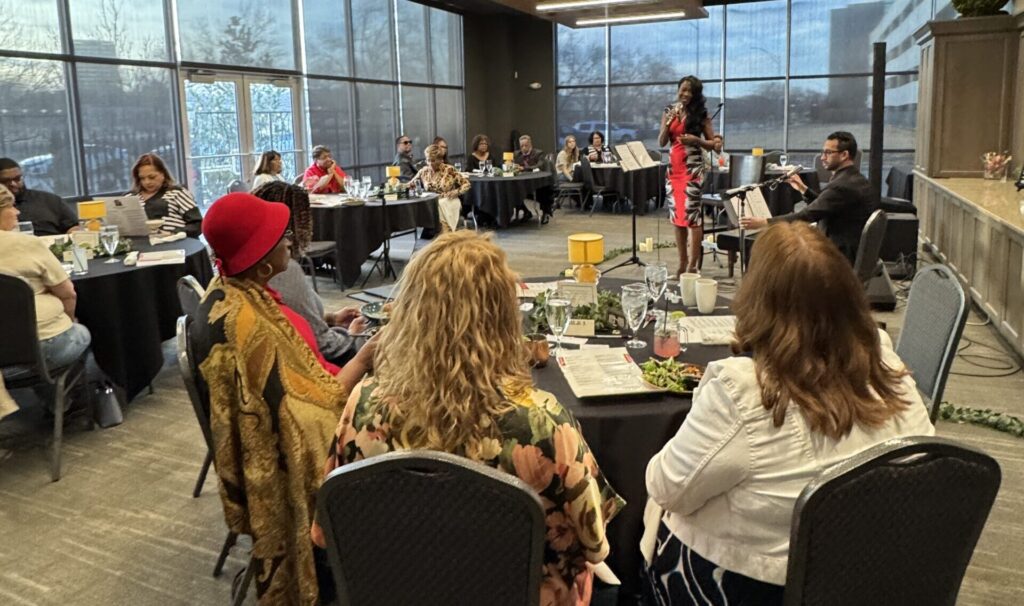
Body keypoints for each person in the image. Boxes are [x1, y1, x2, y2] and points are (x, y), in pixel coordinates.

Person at [311, 231, 624, 606]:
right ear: (504, 316)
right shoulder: (544, 422)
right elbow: (595, 544)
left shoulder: (361, 405)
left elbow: (325, 532)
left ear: (410, 313)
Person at [644, 222, 934, 605]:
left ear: (755, 299)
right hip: (877, 575)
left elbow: (667, 488)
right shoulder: (886, 359)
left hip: (763, 588)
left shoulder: (743, 391)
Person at [193, 191, 375, 605]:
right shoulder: (249, 328)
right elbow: (313, 410)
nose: (289, 240)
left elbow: (291, 332)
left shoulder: (235, 293)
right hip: (298, 454)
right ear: (261, 260)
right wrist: (365, 358)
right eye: (279, 236)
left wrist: (328, 320)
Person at [253, 181, 368, 367]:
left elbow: (292, 319)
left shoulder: (250, 266)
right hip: (317, 368)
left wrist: (330, 318)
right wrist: (353, 336)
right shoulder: (282, 270)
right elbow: (323, 346)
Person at [0, 184, 91, 414]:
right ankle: (66, 405)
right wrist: (70, 321)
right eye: (11, 206)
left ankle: (53, 400)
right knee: (78, 333)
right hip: (38, 349)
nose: (18, 212)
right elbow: (68, 294)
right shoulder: (26, 244)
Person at [740, 131, 875, 265]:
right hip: (850, 249)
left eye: (828, 153)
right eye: (823, 152)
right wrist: (802, 189)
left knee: (781, 252)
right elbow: (827, 206)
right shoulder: (855, 179)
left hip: (839, 255)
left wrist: (764, 222)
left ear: (844, 155)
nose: (822, 157)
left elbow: (807, 215)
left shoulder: (842, 185)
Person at [659, 75, 723, 275]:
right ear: (678, 89)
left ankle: (693, 265)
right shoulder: (669, 111)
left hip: (692, 171)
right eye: (683, 89)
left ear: (695, 95)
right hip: (674, 171)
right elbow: (661, 142)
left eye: (689, 91)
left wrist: (697, 140)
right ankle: (681, 261)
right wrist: (667, 125)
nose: (685, 94)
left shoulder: (702, 115)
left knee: (692, 219)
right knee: (677, 219)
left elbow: (716, 146)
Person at [129, 153, 203, 238]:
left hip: (176, 245)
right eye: (142, 178)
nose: (147, 182)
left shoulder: (177, 193)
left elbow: (198, 224)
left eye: (152, 177)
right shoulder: (129, 198)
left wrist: (174, 233)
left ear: (163, 174)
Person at [0, 157, 78, 236]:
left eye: (17, 179)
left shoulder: (50, 200)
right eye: (5, 181)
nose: (13, 184)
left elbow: (74, 227)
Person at [412, 144, 470, 232]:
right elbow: (410, 184)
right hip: (432, 201)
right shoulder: (423, 171)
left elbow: (466, 184)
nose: (430, 163)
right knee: (434, 206)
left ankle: (445, 231)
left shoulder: (449, 170)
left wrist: (456, 192)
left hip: (449, 199)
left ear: (440, 160)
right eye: (428, 160)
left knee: (439, 205)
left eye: (433, 160)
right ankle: (443, 233)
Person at [514, 135, 554, 224]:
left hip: (537, 183)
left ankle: (545, 213)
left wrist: (523, 168)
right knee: (511, 190)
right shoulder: (517, 154)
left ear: (530, 144)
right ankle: (526, 211)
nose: (523, 148)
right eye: (521, 146)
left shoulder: (539, 153)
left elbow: (539, 166)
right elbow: (513, 166)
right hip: (522, 182)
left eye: (526, 145)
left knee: (545, 190)